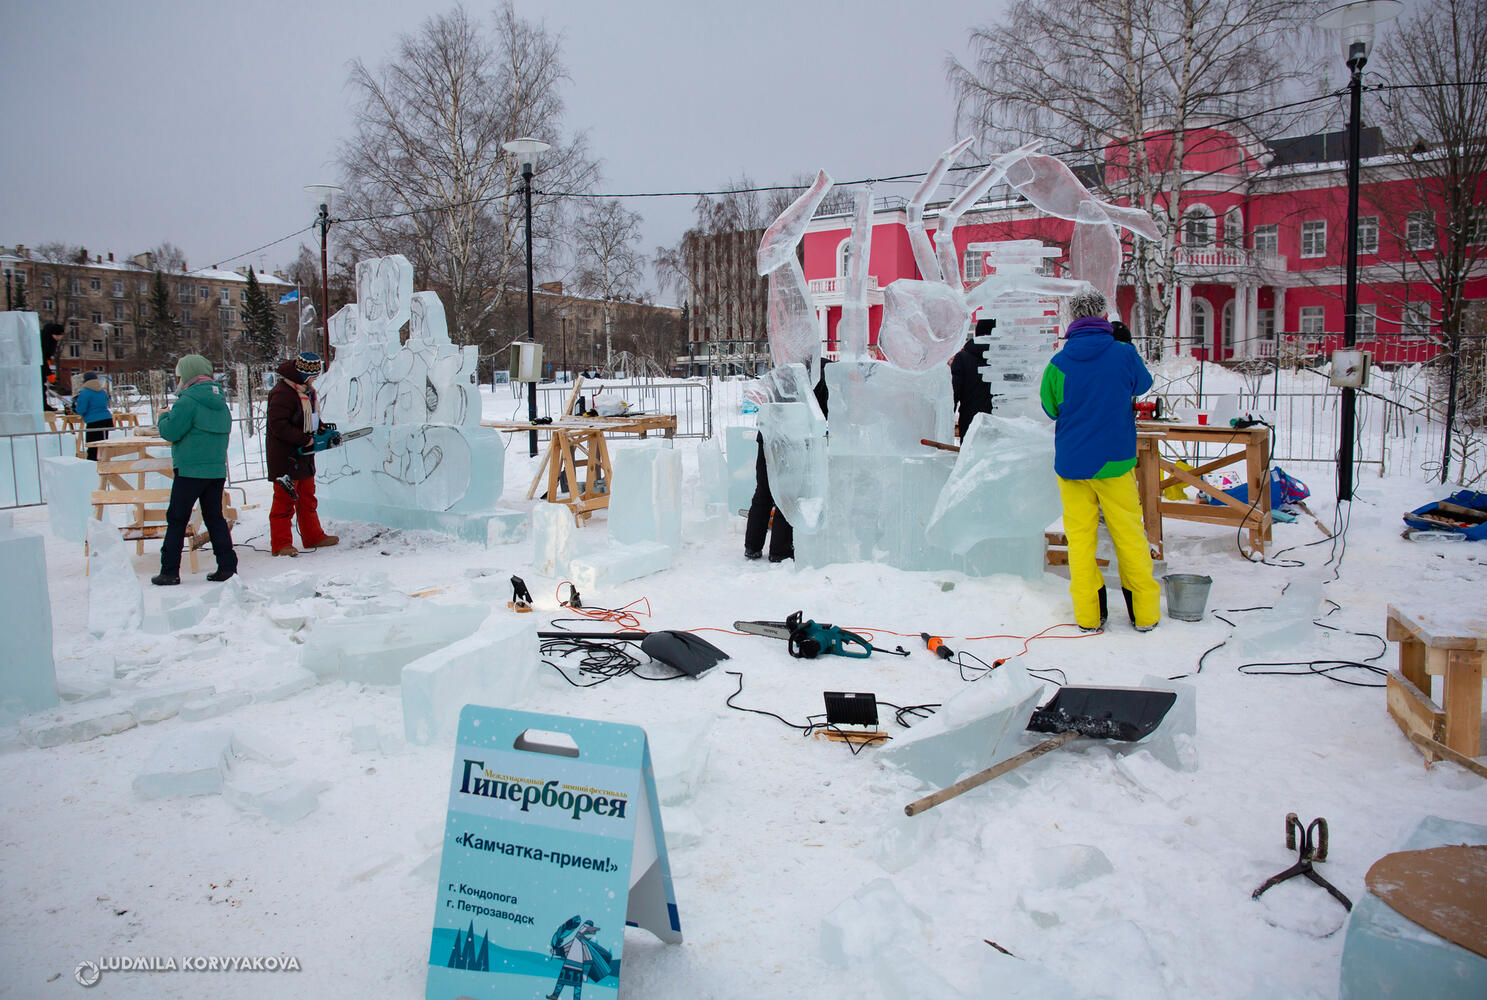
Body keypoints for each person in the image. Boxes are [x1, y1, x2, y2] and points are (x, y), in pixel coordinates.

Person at [1038, 289, 1160, 632]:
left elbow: (1050, 407)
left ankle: (1089, 616)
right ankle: (1145, 614)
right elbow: (1143, 384)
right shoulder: (1123, 354)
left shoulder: (1058, 363)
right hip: (1115, 462)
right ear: (1105, 315)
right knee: (1129, 536)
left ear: (1072, 319)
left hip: (1073, 465)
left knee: (1080, 541)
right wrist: (1127, 347)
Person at [151, 355, 236, 585]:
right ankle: (227, 567)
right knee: (215, 518)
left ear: (188, 373)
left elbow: (171, 431)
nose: (178, 380)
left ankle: (169, 571)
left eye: (180, 375)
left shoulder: (187, 401)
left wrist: (163, 416)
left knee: (177, 519)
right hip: (216, 470)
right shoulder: (220, 402)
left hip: (189, 470)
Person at [745, 363, 829, 562]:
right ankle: (780, 550)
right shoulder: (819, 372)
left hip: (769, 436)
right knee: (789, 492)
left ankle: (752, 545)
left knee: (764, 491)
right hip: (792, 439)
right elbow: (822, 411)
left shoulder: (785, 368)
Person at [266, 351, 339, 557]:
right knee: (284, 501)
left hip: (303, 456)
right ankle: (281, 543)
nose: (315, 380)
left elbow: (308, 417)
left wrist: (320, 428)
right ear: (304, 374)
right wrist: (303, 439)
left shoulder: (306, 392)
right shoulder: (282, 393)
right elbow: (278, 425)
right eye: (313, 376)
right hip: (285, 457)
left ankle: (313, 536)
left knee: (307, 498)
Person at [950, 317, 996, 439]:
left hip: (971, 424)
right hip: (1001, 422)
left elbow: (953, 394)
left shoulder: (962, 358)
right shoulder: (1007, 359)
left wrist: (945, 427)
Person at [72, 371, 114, 460]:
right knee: (103, 445)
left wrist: (75, 408)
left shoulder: (85, 392)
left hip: (94, 422)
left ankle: (93, 464)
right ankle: (104, 462)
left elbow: (81, 409)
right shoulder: (102, 391)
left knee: (92, 446)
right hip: (107, 419)